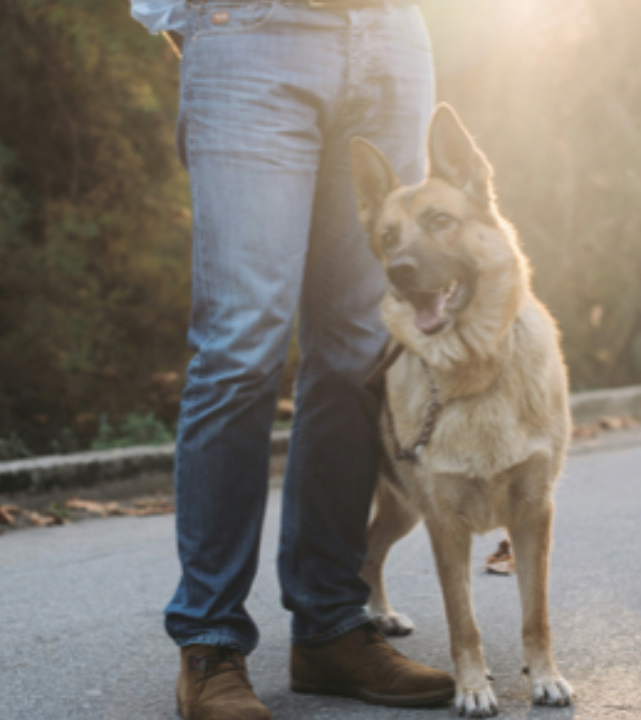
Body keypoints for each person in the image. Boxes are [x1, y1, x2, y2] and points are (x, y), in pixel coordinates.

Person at [129, 1, 453, 717]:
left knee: (359, 348)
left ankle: (332, 625)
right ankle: (210, 643)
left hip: (389, 35)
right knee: (244, 342)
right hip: (249, 31)